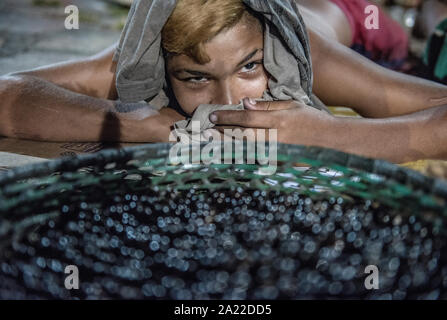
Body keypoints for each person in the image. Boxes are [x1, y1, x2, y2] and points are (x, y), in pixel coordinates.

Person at [0, 0, 447, 164]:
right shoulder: (140, 56)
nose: (227, 101)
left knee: (412, 34)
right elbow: (6, 95)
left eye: (249, 68)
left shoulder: (299, 51)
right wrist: (141, 123)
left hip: (347, 16)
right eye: (195, 77)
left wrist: (329, 134)